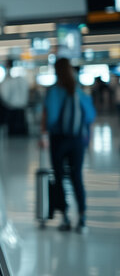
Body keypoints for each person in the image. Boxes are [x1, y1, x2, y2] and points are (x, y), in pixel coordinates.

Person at [41, 58, 95, 233]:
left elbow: (50, 117)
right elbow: (90, 117)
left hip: (58, 139)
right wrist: (88, 140)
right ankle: (82, 217)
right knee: (76, 176)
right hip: (77, 140)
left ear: (56, 70)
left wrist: (43, 135)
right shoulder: (78, 90)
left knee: (59, 176)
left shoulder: (54, 92)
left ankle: (65, 218)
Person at [0, 60, 29, 135]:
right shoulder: (10, 81)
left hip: (14, 108)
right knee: (16, 130)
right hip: (15, 108)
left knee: (17, 129)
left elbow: (3, 94)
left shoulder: (10, 81)